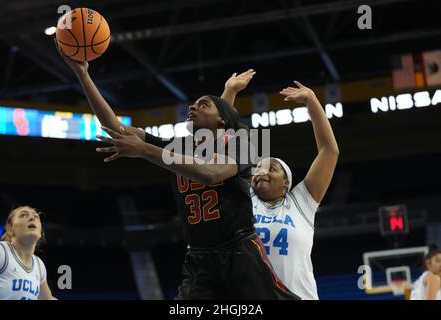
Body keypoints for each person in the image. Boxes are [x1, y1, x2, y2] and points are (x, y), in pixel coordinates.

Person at [55, 40, 300, 300]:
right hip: (199, 259)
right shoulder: (178, 148)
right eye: (193, 104)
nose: (193, 107)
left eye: (202, 104)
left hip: (239, 253)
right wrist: (83, 75)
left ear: (221, 120)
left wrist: (144, 150)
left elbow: (212, 173)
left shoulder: (243, 139)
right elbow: (116, 128)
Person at [223, 76, 339, 299]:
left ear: (287, 183)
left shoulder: (301, 202)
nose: (262, 171)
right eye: (258, 168)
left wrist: (312, 101)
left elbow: (329, 151)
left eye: (272, 168)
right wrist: (230, 92)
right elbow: (221, 141)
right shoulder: (244, 199)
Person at [0, 206, 56, 300]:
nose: (32, 218)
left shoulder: (39, 265)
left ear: (40, 233)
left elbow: (47, 298)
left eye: (36, 216)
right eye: (23, 215)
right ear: (10, 228)